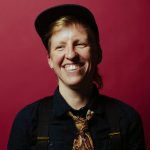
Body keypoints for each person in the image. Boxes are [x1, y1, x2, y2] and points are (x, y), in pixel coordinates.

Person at [8, 4, 145, 150]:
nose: (71, 55)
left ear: (97, 54)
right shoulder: (28, 121)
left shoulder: (126, 119)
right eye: (60, 47)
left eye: (80, 44)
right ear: (50, 60)